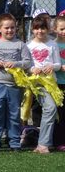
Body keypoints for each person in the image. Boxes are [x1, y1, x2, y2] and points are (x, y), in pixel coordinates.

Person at [0, 13, 32, 152]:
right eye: (6, 28)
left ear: (16, 28)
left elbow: (28, 62)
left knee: (14, 115)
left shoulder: (20, 44)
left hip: (14, 86)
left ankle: (15, 143)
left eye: (12, 28)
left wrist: (16, 64)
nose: (9, 30)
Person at [26, 16, 61, 153]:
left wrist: (52, 65)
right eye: (36, 28)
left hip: (50, 83)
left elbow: (58, 64)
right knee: (50, 108)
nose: (39, 31)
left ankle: (44, 142)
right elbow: (26, 65)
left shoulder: (53, 44)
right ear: (32, 29)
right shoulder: (28, 45)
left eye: (43, 28)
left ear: (48, 29)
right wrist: (31, 69)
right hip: (36, 83)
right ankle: (43, 144)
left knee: (50, 110)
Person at [53, 14, 65, 151]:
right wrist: (59, 67)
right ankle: (59, 141)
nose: (64, 32)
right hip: (58, 84)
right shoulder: (53, 44)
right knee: (59, 114)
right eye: (61, 29)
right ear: (55, 29)